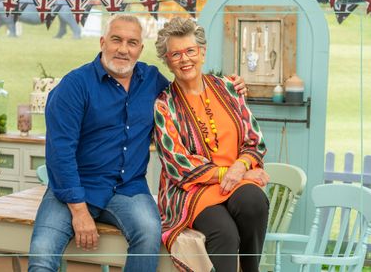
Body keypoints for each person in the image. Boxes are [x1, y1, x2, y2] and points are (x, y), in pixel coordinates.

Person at [28, 14, 248, 272]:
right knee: (42, 254)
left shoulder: (152, 81)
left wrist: (227, 88)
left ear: (140, 49)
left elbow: (191, 95)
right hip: (73, 188)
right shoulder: (74, 87)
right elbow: (60, 154)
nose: (123, 49)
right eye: (116, 40)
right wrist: (78, 211)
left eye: (132, 42)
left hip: (128, 189)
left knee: (148, 231)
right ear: (102, 42)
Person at [154, 17, 270, 272]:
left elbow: (254, 140)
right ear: (167, 61)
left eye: (190, 51)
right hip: (192, 191)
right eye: (176, 54)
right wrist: (232, 173)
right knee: (224, 233)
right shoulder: (164, 105)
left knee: (254, 202)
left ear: (202, 53)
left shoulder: (229, 88)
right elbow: (179, 166)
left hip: (237, 180)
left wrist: (241, 166)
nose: (185, 59)